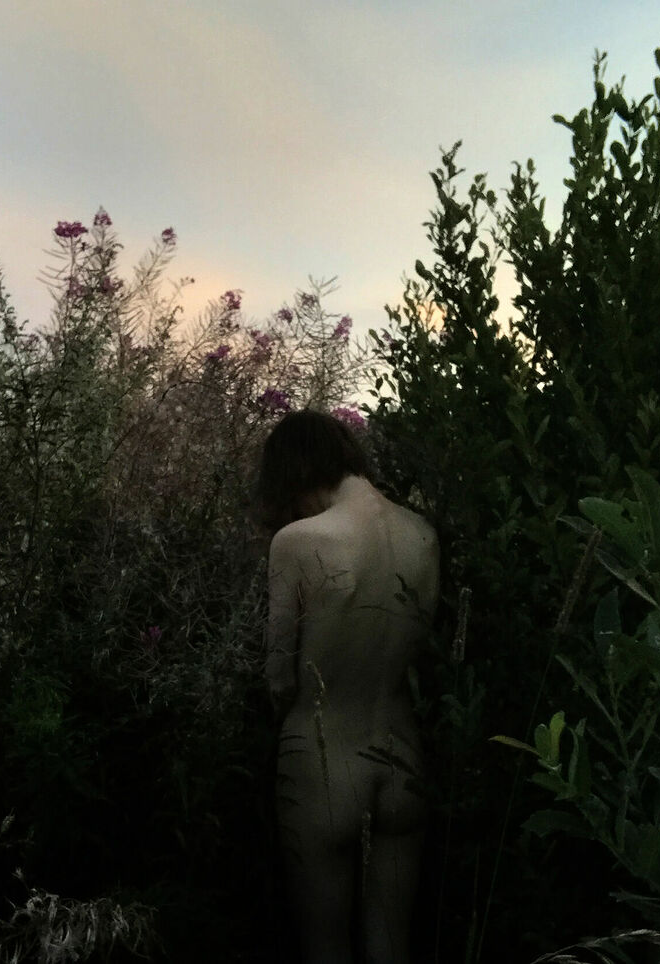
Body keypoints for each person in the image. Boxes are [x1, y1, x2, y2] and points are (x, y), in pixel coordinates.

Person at [257, 410, 439, 964]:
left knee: (325, 949)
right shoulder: (422, 534)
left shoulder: (298, 541)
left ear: (293, 472)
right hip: (403, 761)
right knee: (393, 948)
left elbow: (278, 678)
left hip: (322, 764)